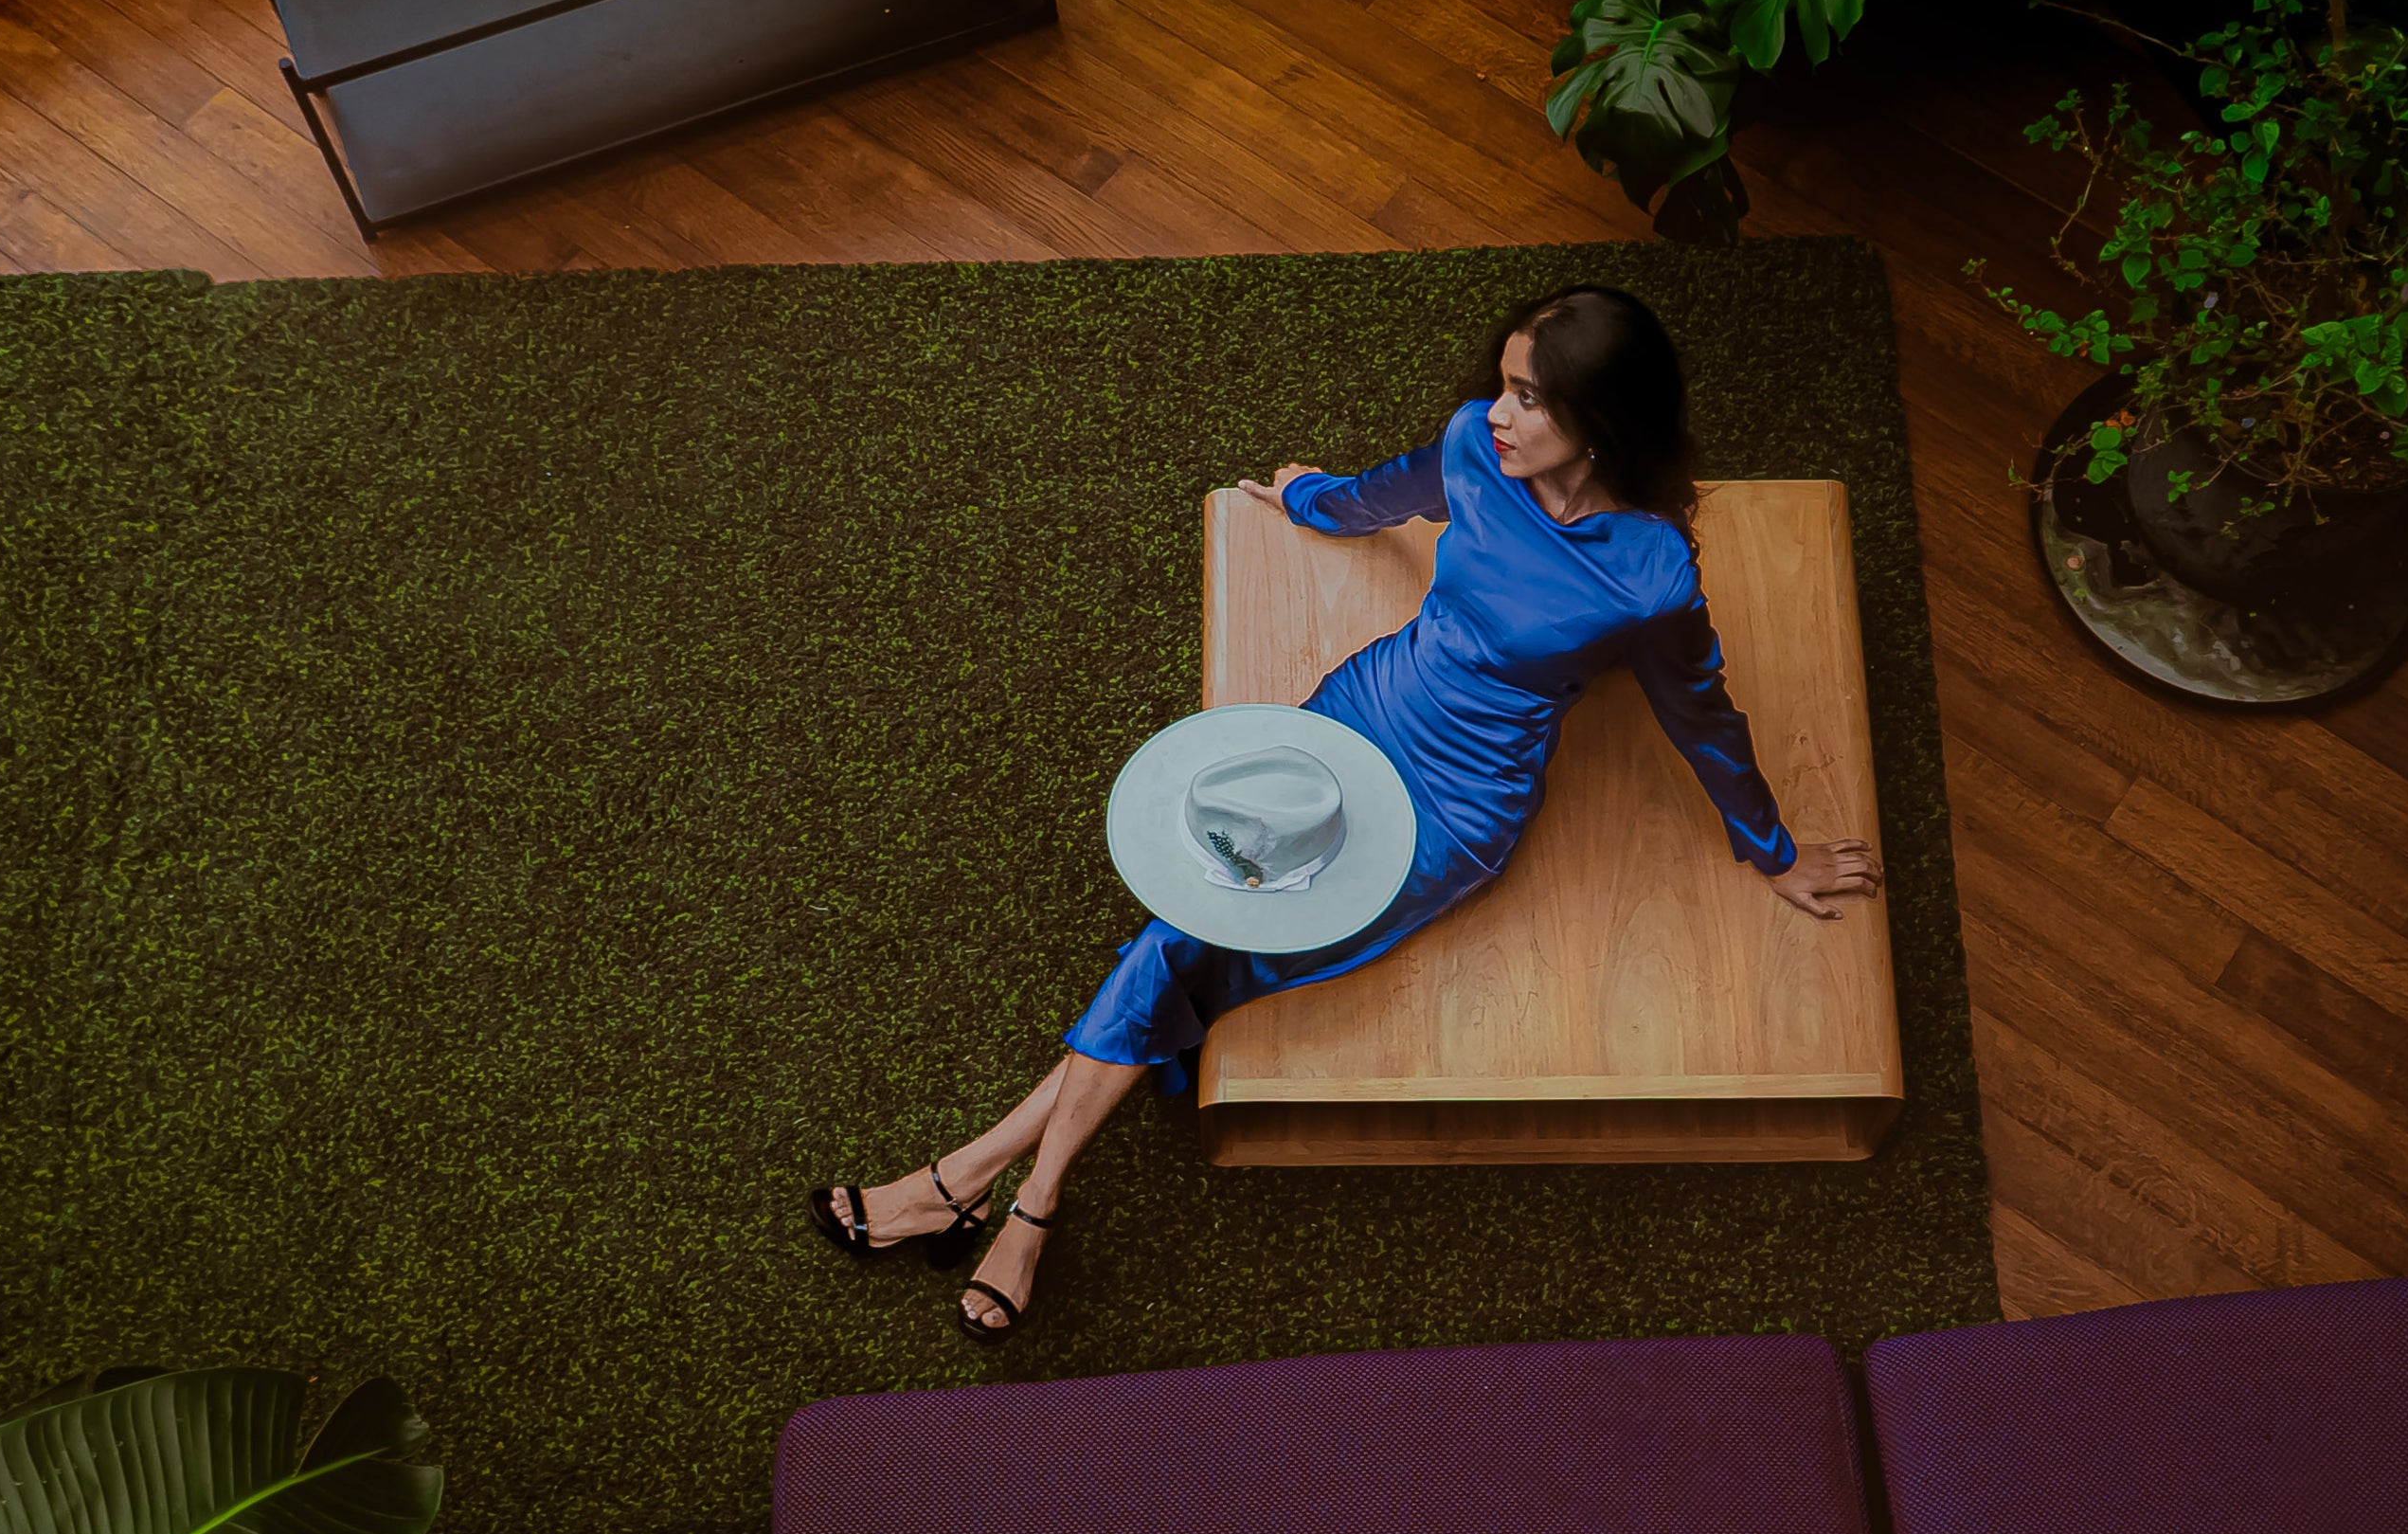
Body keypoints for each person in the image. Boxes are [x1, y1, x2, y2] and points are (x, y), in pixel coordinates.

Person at [807, 286, 1884, 1341]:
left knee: (1185, 936)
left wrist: (1773, 852)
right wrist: (1310, 499)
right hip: (1360, 713)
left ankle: (987, 1189)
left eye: (1530, 398)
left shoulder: (1651, 575)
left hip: (1462, 804)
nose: (1499, 413)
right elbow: (1390, 492)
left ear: (1600, 420)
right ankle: (988, 1191)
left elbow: (1703, 715)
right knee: (1196, 925)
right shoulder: (1475, 448)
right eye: (1504, 384)